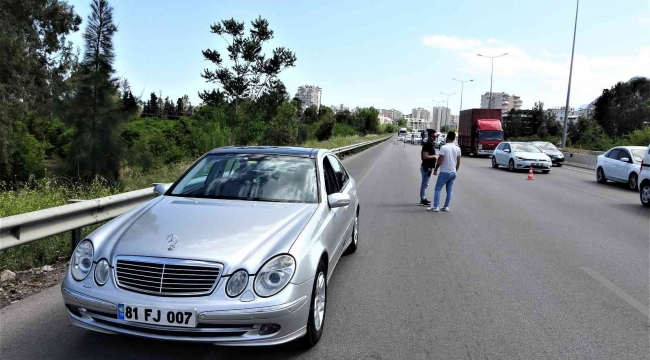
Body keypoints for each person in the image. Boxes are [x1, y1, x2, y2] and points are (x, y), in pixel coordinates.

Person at [428, 131, 461, 212]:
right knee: (449, 190)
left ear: (448, 137)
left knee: (437, 189)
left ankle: (436, 206)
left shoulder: (444, 147)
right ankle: (446, 206)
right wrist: (455, 170)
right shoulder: (458, 148)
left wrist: (436, 169)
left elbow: (440, 160)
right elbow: (458, 162)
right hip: (453, 172)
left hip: (444, 172)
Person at [419, 130, 438, 206]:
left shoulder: (431, 144)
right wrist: (434, 156)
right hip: (426, 167)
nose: (435, 138)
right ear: (430, 136)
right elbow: (424, 156)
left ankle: (423, 198)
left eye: (436, 136)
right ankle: (422, 199)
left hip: (428, 167)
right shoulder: (428, 144)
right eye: (434, 136)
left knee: (425, 184)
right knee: (424, 184)